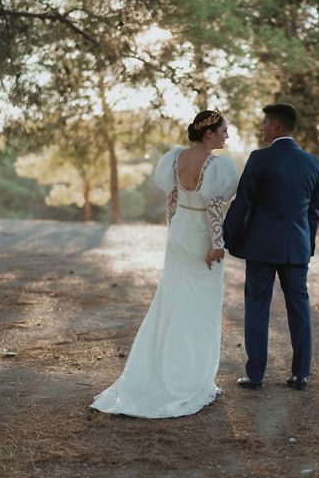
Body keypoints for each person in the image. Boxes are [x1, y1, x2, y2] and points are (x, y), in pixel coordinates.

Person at [91, 110, 238, 418]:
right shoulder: (216, 165)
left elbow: (172, 200)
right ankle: (188, 376)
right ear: (208, 133)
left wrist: (174, 231)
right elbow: (213, 207)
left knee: (172, 301)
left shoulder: (175, 158)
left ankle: (164, 367)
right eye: (223, 130)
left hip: (180, 233)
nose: (227, 135)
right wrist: (216, 244)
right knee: (199, 306)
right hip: (200, 237)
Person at [223, 103, 319, 391]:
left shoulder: (259, 159)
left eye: (265, 123)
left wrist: (228, 237)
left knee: (257, 307)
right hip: (296, 249)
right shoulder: (313, 163)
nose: (262, 127)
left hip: (262, 249)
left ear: (277, 126)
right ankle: (300, 374)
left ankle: (255, 375)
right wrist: (308, 246)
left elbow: (243, 201)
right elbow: (312, 213)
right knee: (299, 309)